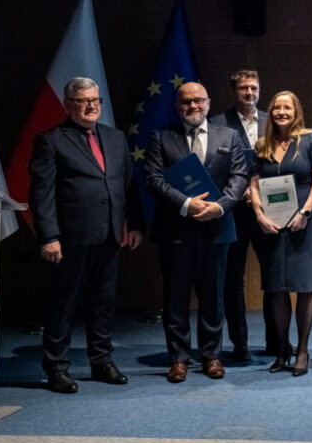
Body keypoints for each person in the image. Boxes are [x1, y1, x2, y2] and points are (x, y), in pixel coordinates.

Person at [29, 77, 142, 393]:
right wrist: (48, 236)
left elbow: (128, 186)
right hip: (70, 239)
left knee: (104, 302)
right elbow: (42, 193)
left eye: (96, 100)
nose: (92, 106)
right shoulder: (51, 140)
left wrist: (134, 224)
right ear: (68, 105)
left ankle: (102, 361)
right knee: (63, 304)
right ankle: (56, 367)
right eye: (83, 101)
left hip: (110, 235)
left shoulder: (116, 138)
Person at [145, 82, 248, 383]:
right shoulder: (162, 137)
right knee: (175, 297)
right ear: (178, 106)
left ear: (208, 102)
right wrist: (187, 204)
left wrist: (220, 207)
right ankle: (178, 359)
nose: (193, 106)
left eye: (198, 101)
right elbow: (153, 180)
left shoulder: (229, 136)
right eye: (186, 102)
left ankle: (211, 355)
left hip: (217, 229)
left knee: (213, 297)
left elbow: (239, 178)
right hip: (176, 231)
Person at [248, 91, 312, 377]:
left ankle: (303, 351)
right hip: (272, 222)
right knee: (276, 287)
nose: (282, 112)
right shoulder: (262, 145)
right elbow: (254, 184)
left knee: (306, 287)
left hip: (306, 220)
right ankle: (282, 349)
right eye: (276, 108)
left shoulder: (310, 139)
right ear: (270, 112)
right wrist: (259, 215)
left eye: (287, 107)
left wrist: (305, 212)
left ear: (296, 112)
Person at [209, 69, 282, 361]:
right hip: (233, 211)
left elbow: (282, 164)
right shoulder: (216, 123)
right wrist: (240, 192)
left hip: (269, 210)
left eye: (254, 87)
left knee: (273, 277)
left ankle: (276, 342)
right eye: (244, 88)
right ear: (233, 91)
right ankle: (239, 343)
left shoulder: (273, 120)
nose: (250, 93)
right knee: (233, 280)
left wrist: (260, 192)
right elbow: (214, 169)